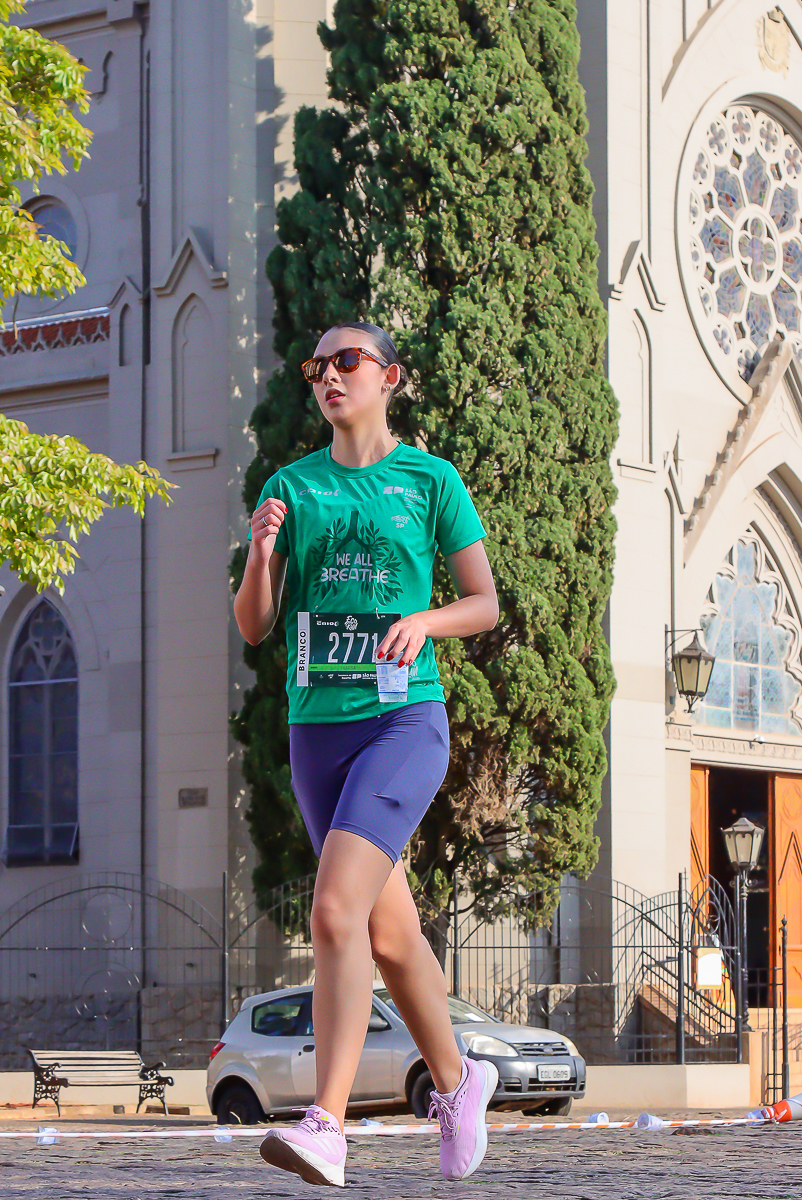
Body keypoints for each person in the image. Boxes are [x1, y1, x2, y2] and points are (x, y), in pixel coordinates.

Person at [233, 321, 499, 1188]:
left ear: (390, 377)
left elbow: (484, 602)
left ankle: (326, 1123)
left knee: (334, 912)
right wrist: (261, 556)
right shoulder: (291, 487)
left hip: (403, 723)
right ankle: (459, 1084)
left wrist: (425, 620)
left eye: (347, 361)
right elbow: (256, 626)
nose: (329, 376)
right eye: (317, 366)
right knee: (388, 932)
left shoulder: (431, 480)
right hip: (318, 733)